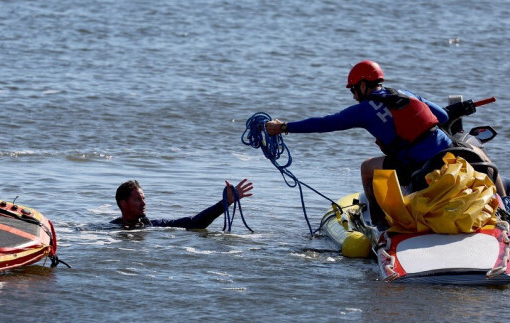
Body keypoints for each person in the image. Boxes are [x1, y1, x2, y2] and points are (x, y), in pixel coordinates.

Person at [265, 60, 505, 226]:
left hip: (421, 166)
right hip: (450, 154)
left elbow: (325, 123)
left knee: (367, 168)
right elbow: (442, 117)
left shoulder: (363, 110)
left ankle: (380, 225)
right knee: (478, 153)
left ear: (362, 85)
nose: (353, 95)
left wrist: (285, 127)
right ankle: (504, 208)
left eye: (353, 89)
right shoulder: (405, 93)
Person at [111, 178, 253, 230]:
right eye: (137, 199)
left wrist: (226, 202)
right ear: (123, 203)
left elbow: (194, 223)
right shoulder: (109, 229)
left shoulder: (153, 225)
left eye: (144, 198)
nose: (144, 203)